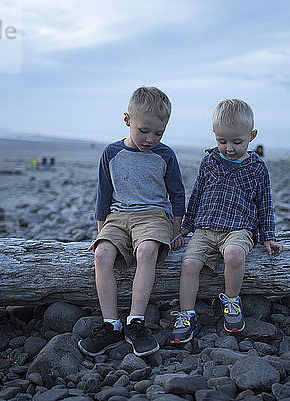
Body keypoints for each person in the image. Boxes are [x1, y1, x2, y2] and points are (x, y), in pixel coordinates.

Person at [78, 87, 185, 357]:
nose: (150, 139)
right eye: (144, 130)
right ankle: (111, 325)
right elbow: (104, 195)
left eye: (158, 133)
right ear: (127, 120)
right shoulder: (111, 153)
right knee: (102, 254)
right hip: (118, 216)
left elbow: (177, 193)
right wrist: (103, 233)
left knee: (147, 250)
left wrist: (175, 231)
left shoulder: (166, 155)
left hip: (153, 216)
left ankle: (135, 323)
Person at [170, 99, 284, 344]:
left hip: (238, 228)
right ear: (214, 135)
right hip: (205, 229)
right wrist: (185, 228)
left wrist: (268, 236)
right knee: (189, 264)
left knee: (233, 254)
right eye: (222, 141)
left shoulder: (257, 168)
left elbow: (265, 204)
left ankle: (231, 301)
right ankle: (187, 314)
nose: (229, 147)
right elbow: (197, 195)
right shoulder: (209, 162)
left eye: (237, 141)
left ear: (251, 136)